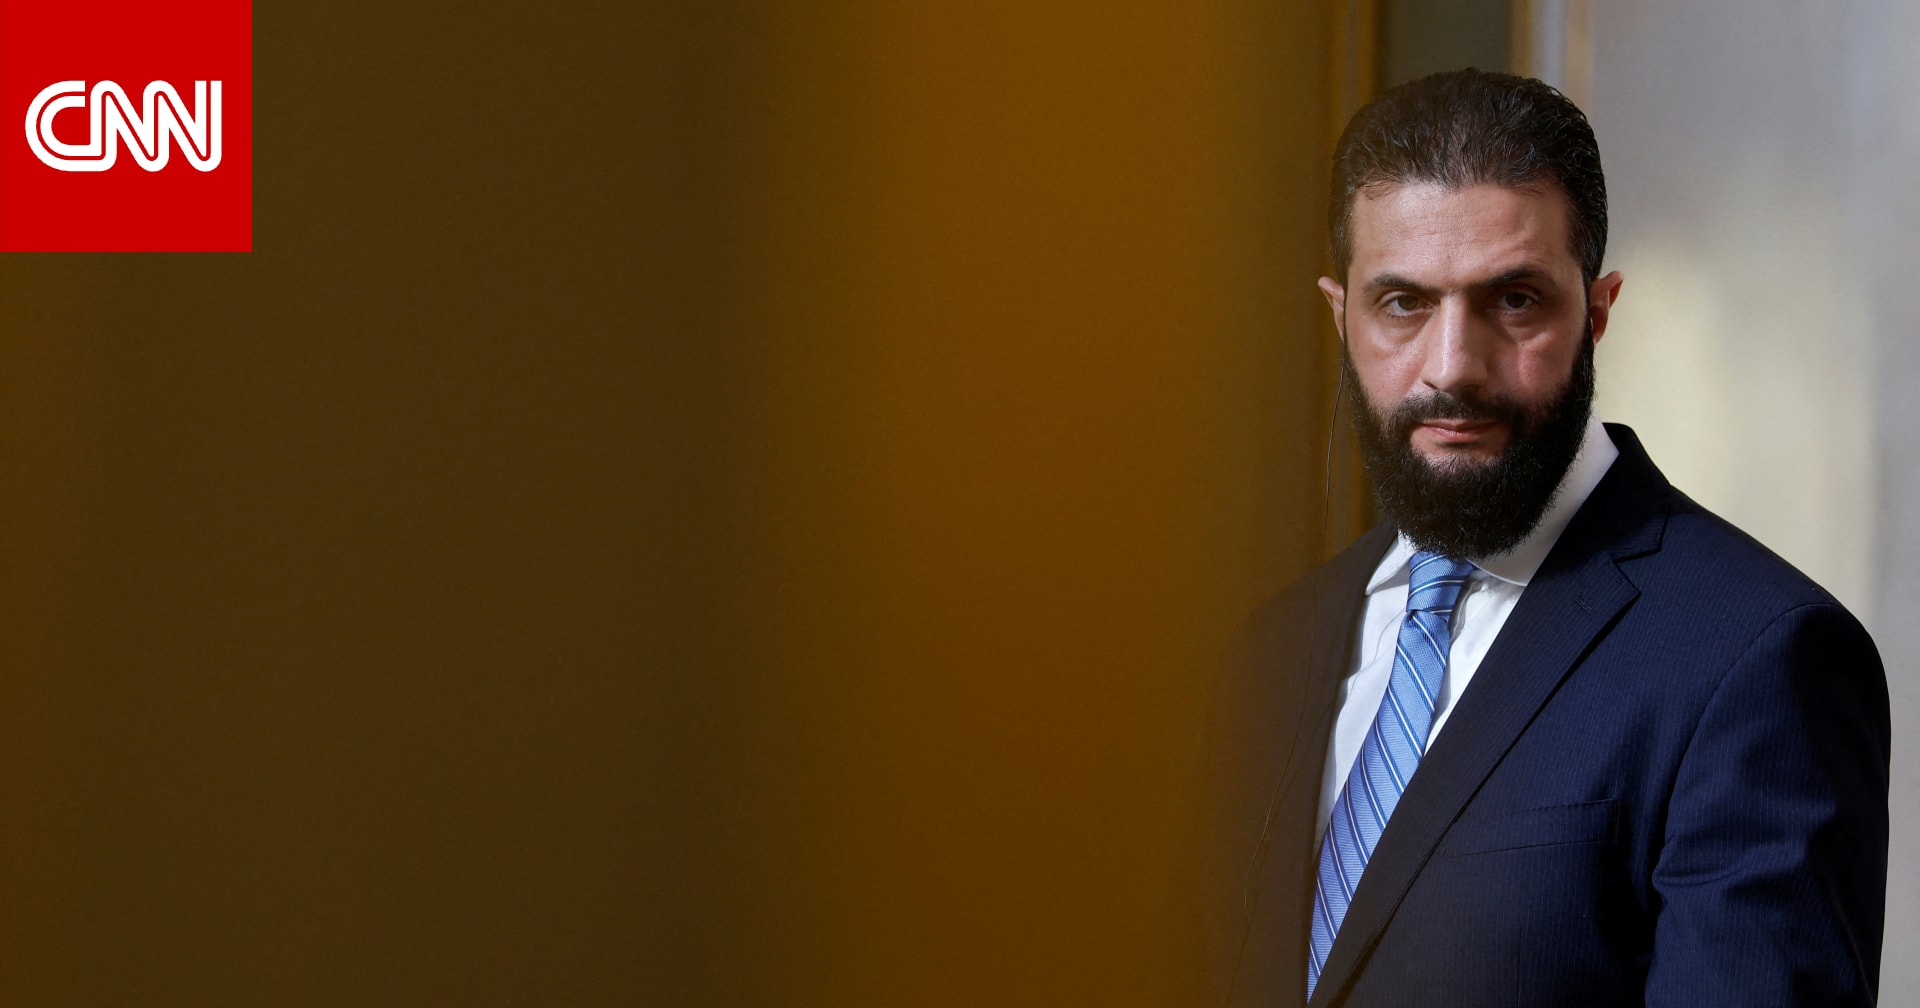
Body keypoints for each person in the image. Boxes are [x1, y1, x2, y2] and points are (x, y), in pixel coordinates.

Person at [1201, 69, 1889, 1007]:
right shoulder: (1268, 656)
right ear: (1340, 316)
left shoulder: (1759, 659)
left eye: (1515, 300)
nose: (1453, 367)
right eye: (1402, 304)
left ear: (1597, 312)